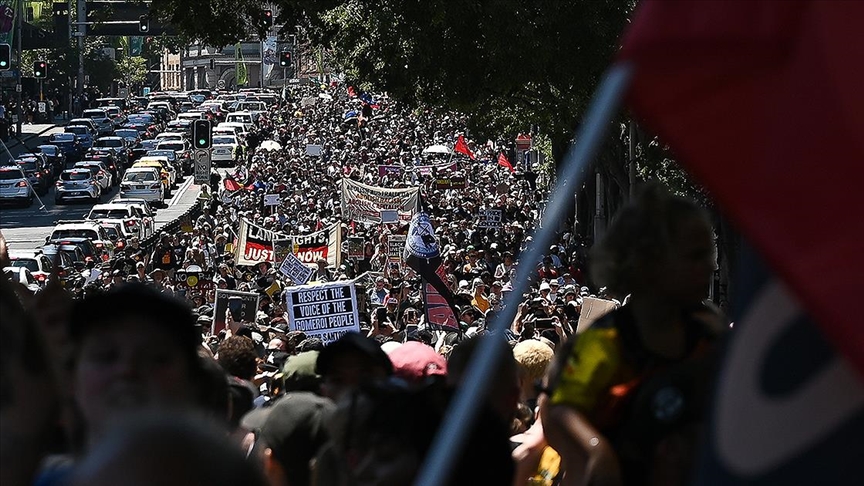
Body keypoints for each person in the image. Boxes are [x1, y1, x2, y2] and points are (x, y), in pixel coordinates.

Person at [542, 186, 726, 486]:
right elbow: (562, 409)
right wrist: (598, 450)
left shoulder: (709, 331)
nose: (710, 266)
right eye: (696, 256)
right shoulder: (605, 340)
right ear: (649, 263)